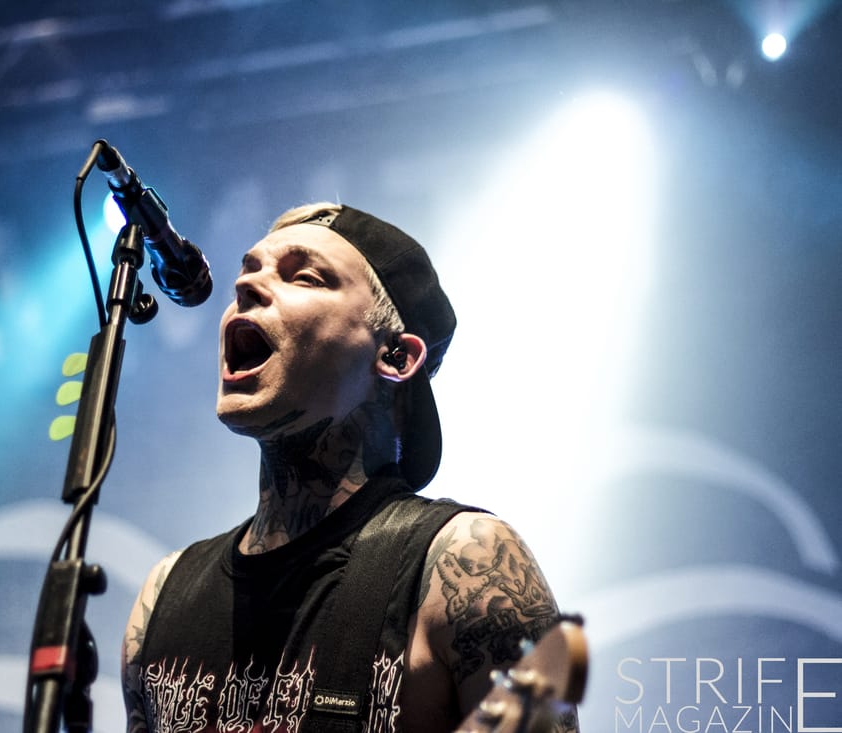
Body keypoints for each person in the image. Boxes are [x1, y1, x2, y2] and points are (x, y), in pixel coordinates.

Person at [121, 203, 578, 732]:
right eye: (249, 271)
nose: (245, 286)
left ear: (395, 357)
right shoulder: (164, 594)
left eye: (304, 277)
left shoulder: (465, 563)